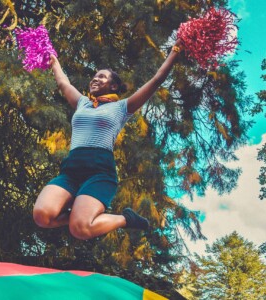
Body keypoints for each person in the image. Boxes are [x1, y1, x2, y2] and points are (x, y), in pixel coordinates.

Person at [33, 39, 185, 240]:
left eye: (102, 77)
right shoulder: (82, 103)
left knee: (80, 230)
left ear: (113, 85)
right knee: (42, 216)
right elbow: (63, 82)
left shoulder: (122, 107)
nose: (95, 80)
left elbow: (156, 80)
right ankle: (80, 211)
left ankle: (125, 219)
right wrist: (53, 60)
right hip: (72, 168)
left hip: (99, 170)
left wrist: (176, 50)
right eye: (94, 77)